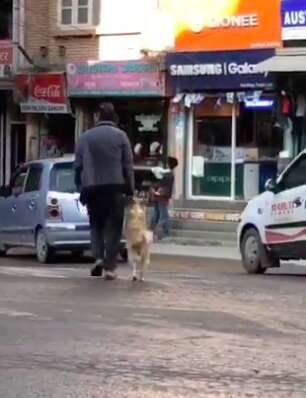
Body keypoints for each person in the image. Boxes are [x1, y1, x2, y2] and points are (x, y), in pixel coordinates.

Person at [74, 102, 134, 280]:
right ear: (114, 117)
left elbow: (77, 167)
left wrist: (81, 188)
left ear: (97, 117)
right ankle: (110, 267)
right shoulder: (121, 136)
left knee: (96, 225)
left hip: (92, 188)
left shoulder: (85, 137)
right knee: (114, 228)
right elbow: (128, 166)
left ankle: (98, 257)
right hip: (115, 188)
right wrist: (130, 190)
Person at [150, 156, 178, 238]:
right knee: (164, 216)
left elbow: (159, 183)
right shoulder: (169, 174)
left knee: (157, 214)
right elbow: (166, 187)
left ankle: (152, 231)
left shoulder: (164, 173)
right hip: (162, 197)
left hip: (158, 196)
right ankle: (164, 233)